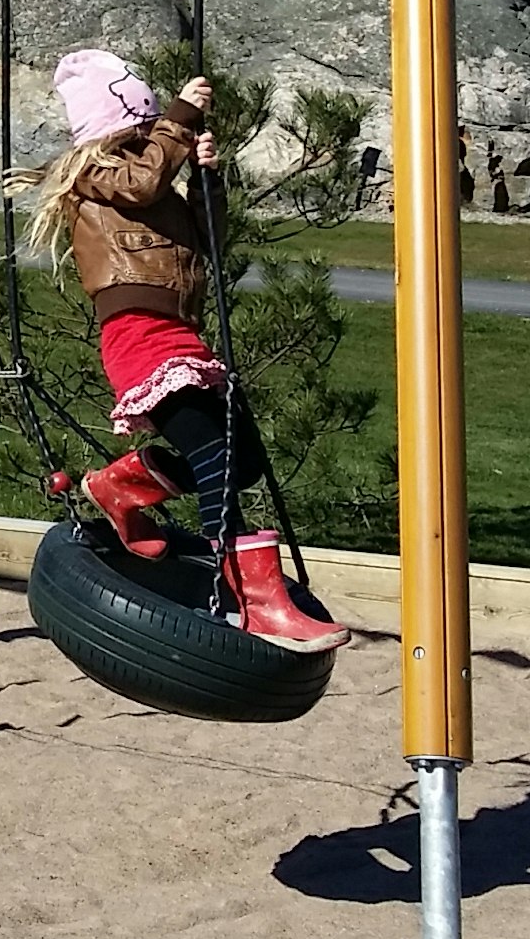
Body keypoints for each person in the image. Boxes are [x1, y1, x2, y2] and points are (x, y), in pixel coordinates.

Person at [19, 49, 346, 655]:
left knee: (242, 458)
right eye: (143, 130)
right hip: (139, 333)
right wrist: (180, 117)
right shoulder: (94, 175)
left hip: (179, 332)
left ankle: (124, 485)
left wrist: (206, 180)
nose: (154, 142)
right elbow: (142, 180)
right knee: (217, 458)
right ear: (115, 131)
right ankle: (249, 595)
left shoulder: (149, 185)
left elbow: (207, 244)